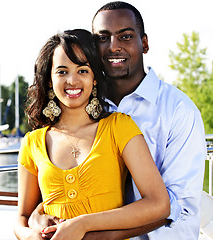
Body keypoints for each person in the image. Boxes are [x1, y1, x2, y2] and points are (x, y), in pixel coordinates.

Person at [29, 2, 207, 239]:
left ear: (144, 43)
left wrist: (88, 232)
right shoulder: (81, 106)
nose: (114, 47)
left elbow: (176, 208)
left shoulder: (179, 111)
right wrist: (36, 216)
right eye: (103, 38)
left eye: (125, 36)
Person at [14, 29, 170, 240]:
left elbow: (159, 204)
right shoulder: (32, 143)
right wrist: (31, 236)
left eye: (82, 71)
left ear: (95, 78)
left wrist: (82, 224)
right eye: (61, 71)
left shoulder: (119, 127)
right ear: (49, 80)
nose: (72, 81)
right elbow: (22, 218)